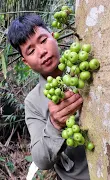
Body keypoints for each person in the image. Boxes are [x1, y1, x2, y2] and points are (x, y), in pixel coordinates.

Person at [7, 14, 89, 179]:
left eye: (43, 41)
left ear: (53, 38)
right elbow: (40, 160)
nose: (42, 52)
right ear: (26, 62)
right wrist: (55, 124)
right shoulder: (33, 102)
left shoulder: (85, 63)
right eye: (31, 51)